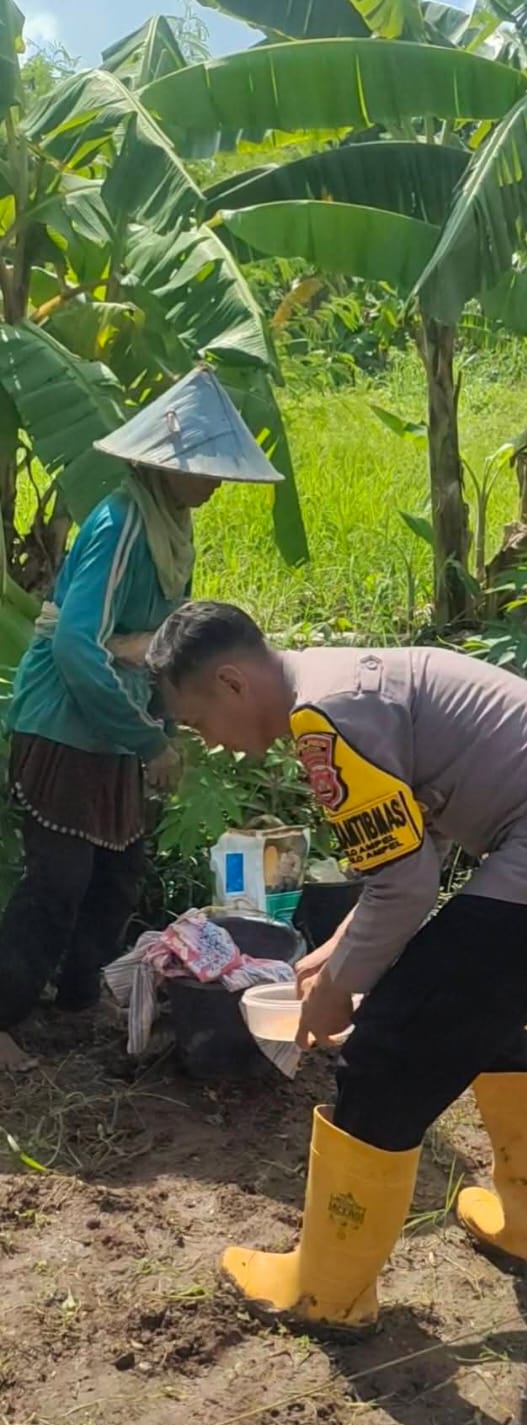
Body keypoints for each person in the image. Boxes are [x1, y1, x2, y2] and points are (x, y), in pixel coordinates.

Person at [146, 600, 527, 1333]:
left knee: (386, 1051)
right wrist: (341, 949)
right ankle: (526, 1226)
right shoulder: (339, 684)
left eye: (200, 723)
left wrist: (338, 991)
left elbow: (406, 885)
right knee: (478, 1013)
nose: (213, 744)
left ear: (232, 682)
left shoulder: (323, 721)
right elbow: (415, 844)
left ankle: (327, 1292)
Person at [0, 367, 282, 1070]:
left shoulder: (171, 530)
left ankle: (78, 1000)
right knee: (58, 882)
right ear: (166, 467)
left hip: (116, 723)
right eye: (206, 470)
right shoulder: (120, 523)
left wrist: (165, 723)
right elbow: (77, 645)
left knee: (117, 874)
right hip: (65, 725)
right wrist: (146, 738)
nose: (216, 484)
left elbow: (164, 646)